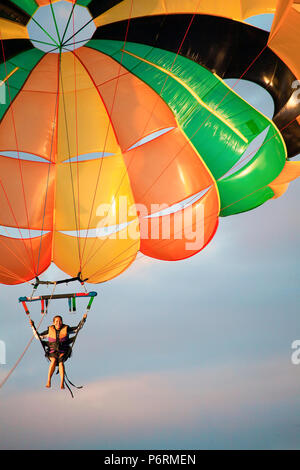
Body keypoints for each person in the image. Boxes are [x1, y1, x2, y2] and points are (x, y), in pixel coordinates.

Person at [30, 314, 87, 389]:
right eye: (56, 321)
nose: (58, 323)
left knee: (61, 362)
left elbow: (77, 329)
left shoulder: (66, 329)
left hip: (63, 351)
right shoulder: (49, 330)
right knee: (53, 361)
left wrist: (83, 319)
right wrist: (33, 326)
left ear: (62, 322)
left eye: (60, 321)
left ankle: (61, 382)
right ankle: (48, 381)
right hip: (52, 351)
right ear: (53, 323)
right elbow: (38, 336)